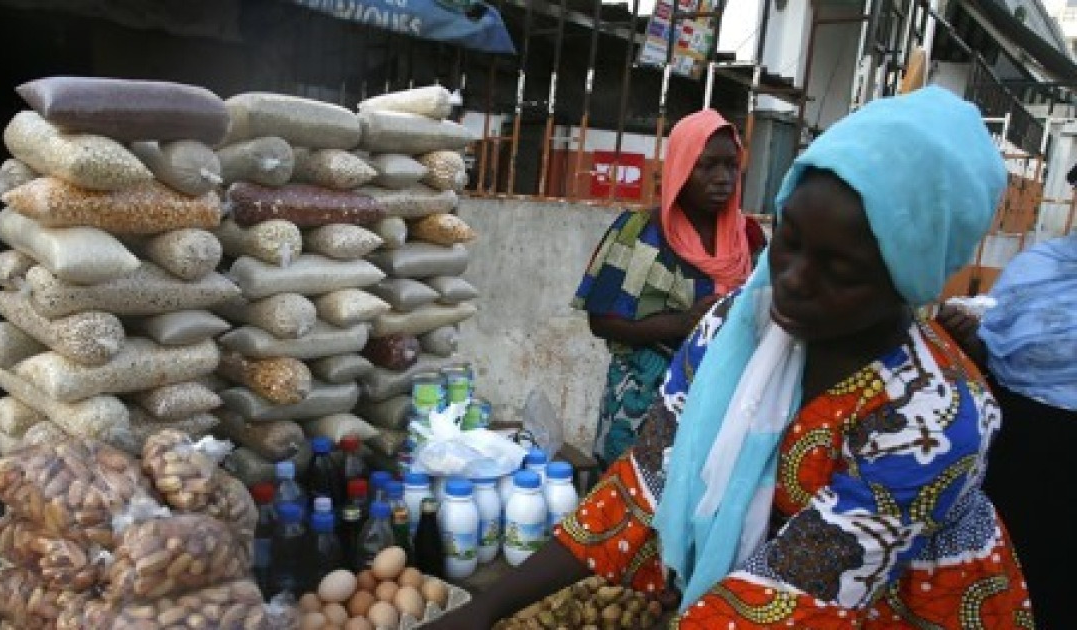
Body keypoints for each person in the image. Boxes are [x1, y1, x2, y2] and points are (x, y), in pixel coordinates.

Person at [425, 87, 1032, 628]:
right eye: (789, 240)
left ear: (909, 277)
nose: (790, 280)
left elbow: (803, 586)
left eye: (839, 269)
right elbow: (645, 487)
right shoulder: (731, 328)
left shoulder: (934, 417)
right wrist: (484, 608)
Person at [573, 109, 756, 468]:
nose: (723, 178)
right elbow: (601, 320)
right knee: (627, 502)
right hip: (641, 399)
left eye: (731, 166)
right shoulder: (639, 232)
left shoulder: (748, 237)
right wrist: (683, 324)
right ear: (682, 165)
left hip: (719, 398)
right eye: (708, 166)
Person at [936, 232, 1076, 630]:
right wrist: (967, 336)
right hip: (1026, 459)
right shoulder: (1039, 266)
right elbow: (999, 356)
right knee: (1022, 587)